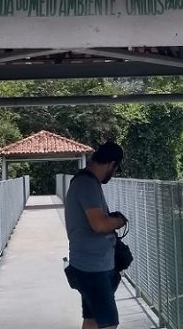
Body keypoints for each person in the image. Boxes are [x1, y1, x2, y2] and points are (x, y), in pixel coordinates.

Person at [64, 141, 128, 329]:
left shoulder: (86, 182)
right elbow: (99, 225)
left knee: (92, 320)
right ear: (111, 164)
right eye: (115, 169)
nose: (113, 174)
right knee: (109, 323)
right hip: (93, 268)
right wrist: (119, 220)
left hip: (88, 264)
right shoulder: (87, 183)